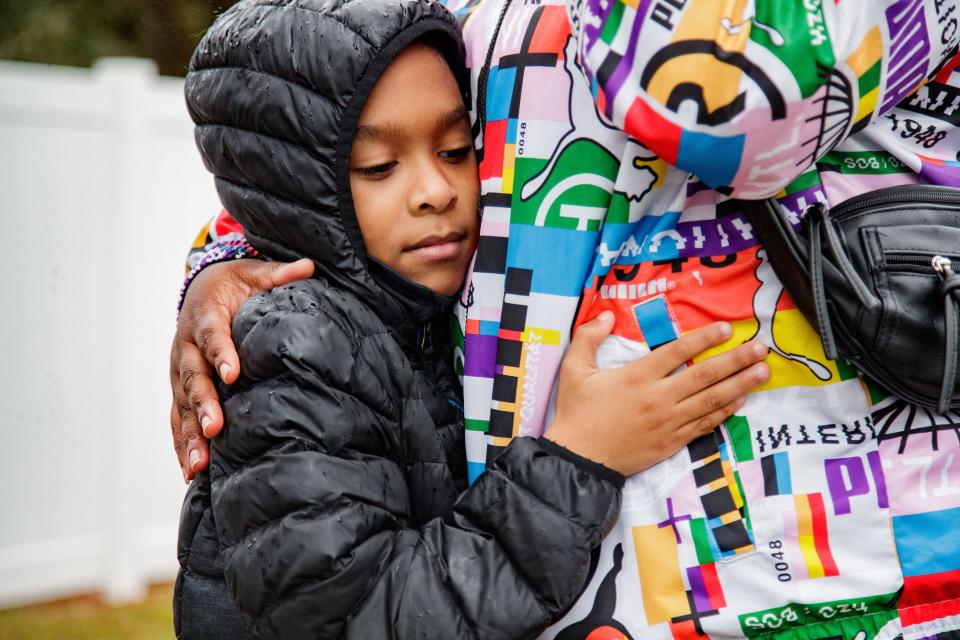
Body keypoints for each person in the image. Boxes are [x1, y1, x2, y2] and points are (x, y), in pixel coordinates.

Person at [173, 0, 960, 638]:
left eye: (460, 152)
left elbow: (733, 97)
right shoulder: (312, 340)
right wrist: (229, 262)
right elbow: (303, 139)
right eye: (384, 169)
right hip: (568, 552)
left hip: (859, 559)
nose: (442, 191)